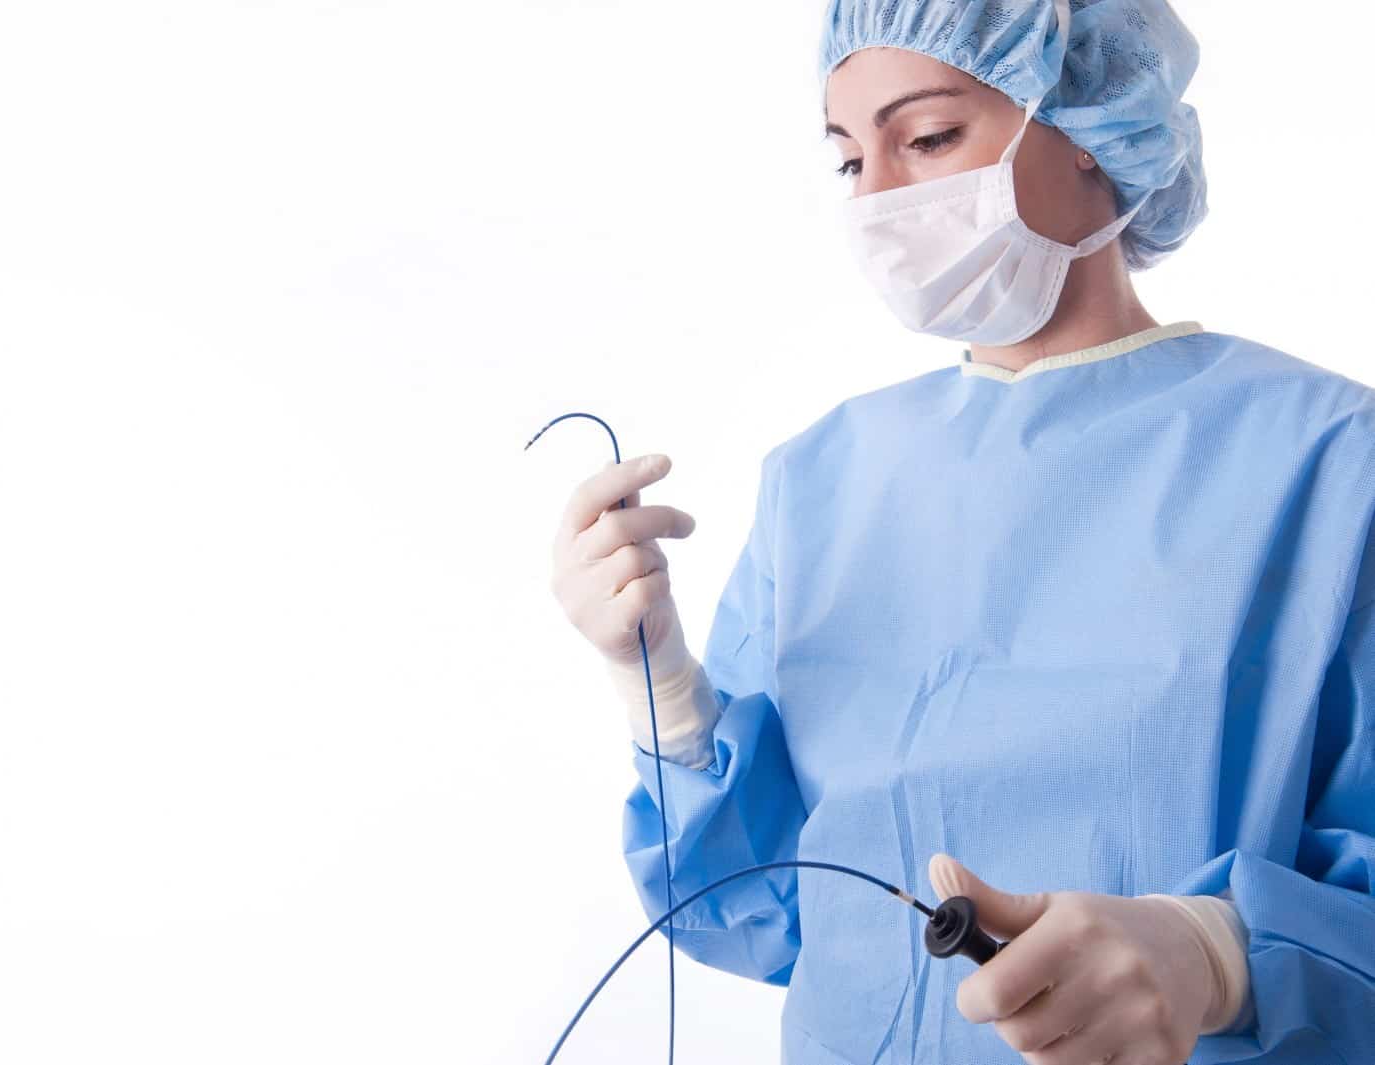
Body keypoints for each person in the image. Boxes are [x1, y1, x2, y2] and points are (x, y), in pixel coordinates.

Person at [547, 1, 1375, 1062]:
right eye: (851, 160)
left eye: (929, 138)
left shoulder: (1329, 462)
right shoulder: (818, 484)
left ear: (1092, 128)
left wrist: (1216, 955)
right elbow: (771, 916)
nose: (880, 199)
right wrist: (663, 691)